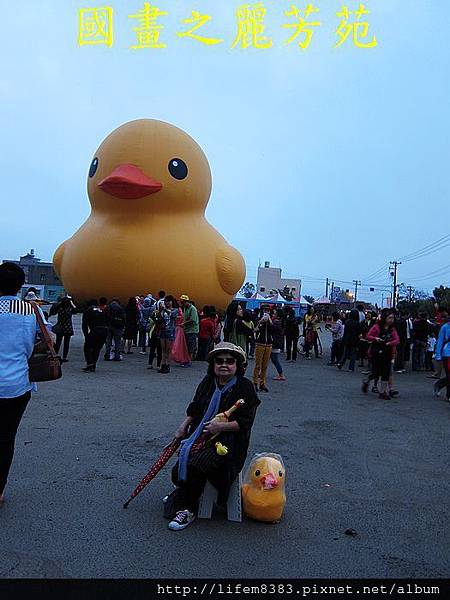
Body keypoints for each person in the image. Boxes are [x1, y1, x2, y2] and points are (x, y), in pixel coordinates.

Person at [164, 342, 260, 530]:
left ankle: (188, 508)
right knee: (181, 462)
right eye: (219, 361)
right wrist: (182, 427)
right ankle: (185, 492)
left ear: (237, 365)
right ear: (213, 364)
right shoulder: (208, 382)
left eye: (230, 361)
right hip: (200, 436)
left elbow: (246, 422)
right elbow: (195, 407)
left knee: (196, 463)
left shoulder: (245, 387)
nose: (224, 365)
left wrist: (220, 427)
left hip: (229, 443)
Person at [0, 263, 51, 504]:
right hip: (16, 384)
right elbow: (47, 338)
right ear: (21, 285)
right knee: (6, 437)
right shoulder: (31, 310)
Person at [362, 309, 400, 399]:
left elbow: (397, 340)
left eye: (392, 318)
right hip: (376, 353)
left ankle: (382, 392)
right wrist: (376, 338)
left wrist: (389, 343)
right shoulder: (377, 327)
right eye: (389, 318)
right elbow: (368, 336)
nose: (391, 320)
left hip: (387, 353)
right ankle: (367, 380)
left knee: (386, 372)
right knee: (376, 372)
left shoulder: (392, 329)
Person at [81, 299, 109, 372]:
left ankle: (90, 364)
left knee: (87, 347)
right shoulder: (103, 309)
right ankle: (93, 365)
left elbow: (84, 325)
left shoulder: (88, 311)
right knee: (97, 349)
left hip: (95, 330)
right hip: (104, 331)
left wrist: (86, 335)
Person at [49, 296, 77, 362]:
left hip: (60, 326)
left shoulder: (60, 308)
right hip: (68, 327)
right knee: (66, 343)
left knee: (58, 342)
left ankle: (55, 355)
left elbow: (53, 310)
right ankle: (64, 357)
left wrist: (59, 303)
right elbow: (76, 310)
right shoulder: (70, 309)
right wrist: (72, 303)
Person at [252, 304, 273, 392]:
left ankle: (262, 383)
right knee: (257, 364)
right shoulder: (257, 319)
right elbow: (255, 330)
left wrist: (270, 321)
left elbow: (274, 329)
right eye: (265, 310)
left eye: (268, 311)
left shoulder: (271, 321)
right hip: (260, 343)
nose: (266, 312)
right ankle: (255, 382)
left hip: (268, 344)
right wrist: (261, 321)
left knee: (265, 365)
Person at [156, 295, 179, 373]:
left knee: (168, 349)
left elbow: (173, 315)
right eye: (166, 301)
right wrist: (159, 310)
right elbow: (158, 318)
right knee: (163, 349)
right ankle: (162, 365)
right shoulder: (163, 310)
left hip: (170, 330)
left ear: (172, 302)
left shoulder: (175, 310)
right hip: (162, 330)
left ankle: (167, 365)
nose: (167, 303)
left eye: (169, 301)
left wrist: (164, 309)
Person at [434, 307, 450, 401]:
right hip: (447, 353)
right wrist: (438, 355)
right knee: (449, 375)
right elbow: (440, 341)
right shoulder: (445, 327)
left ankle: (439, 384)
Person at [180, 295, 199, 363]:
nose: (182, 304)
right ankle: (186, 359)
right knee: (186, 345)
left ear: (186, 302)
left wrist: (183, 324)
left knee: (190, 345)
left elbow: (192, 320)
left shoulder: (192, 309)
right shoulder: (185, 308)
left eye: (183, 302)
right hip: (187, 329)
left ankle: (189, 360)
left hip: (192, 330)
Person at [270, 309, 286, 381]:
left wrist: (270, 322)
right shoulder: (280, 322)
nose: (273, 315)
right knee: (271, 358)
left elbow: (273, 329)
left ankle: (281, 374)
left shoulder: (276, 322)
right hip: (277, 342)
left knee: (274, 359)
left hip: (275, 342)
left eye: (274, 314)